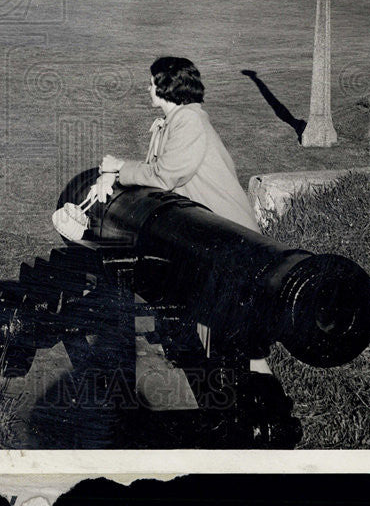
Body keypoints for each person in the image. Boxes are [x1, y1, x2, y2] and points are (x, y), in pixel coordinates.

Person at [100, 56, 270, 373]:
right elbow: (156, 177)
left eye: (151, 81)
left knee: (238, 340)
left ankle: (262, 401)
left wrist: (119, 168)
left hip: (230, 235)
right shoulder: (174, 122)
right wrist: (114, 177)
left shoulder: (190, 121)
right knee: (219, 336)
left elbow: (165, 176)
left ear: (166, 86)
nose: (146, 87)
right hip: (210, 236)